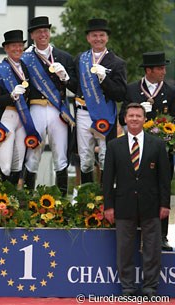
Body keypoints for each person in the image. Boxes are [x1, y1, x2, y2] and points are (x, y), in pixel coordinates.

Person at [103, 103, 171, 297]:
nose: (134, 119)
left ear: (144, 119)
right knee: (124, 250)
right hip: (123, 205)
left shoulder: (157, 144)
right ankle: (128, 288)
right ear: (125, 118)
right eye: (130, 115)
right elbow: (107, 179)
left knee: (152, 249)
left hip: (152, 206)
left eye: (138, 116)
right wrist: (108, 206)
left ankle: (150, 288)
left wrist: (165, 204)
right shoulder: (114, 146)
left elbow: (164, 178)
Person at [119, 51, 175, 251]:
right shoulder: (132, 89)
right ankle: (136, 233)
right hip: (137, 149)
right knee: (135, 189)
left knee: (162, 189)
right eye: (160, 68)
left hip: (162, 150)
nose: (163, 71)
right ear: (149, 70)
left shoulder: (170, 91)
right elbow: (120, 119)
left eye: (164, 68)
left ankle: (162, 235)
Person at [21, 16, 77, 196]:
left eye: (45, 31)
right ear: (32, 35)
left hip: (57, 109)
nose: (43, 34)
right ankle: (28, 200)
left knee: (60, 155)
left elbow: (76, 87)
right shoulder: (25, 58)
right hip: (35, 108)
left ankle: (61, 201)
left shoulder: (64, 57)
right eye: (39, 32)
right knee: (32, 153)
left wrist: (65, 77)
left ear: (49, 33)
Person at [74, 18, 127, 184]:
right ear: (88, 38)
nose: (98, 38)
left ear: (107, 38)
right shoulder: (80, 59)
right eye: (94, 35)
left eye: (101, 35)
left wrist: (104, 79)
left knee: (105, 155)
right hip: (83, 112)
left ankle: (106, 197)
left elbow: (120, 94)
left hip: (104, 113)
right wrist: (64, 78)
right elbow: (75, 86)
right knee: (85, 157)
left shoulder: (117, 62)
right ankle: (87, 197)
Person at [0, 30, 40, 187]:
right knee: (4, 166)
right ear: (6, 48)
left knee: (17, 166)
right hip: (7, 117)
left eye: (20, 45)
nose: (18, 49)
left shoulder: (26, 67)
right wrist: (11, 96)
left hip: (23, 119)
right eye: (14, 46)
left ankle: (10, 203)